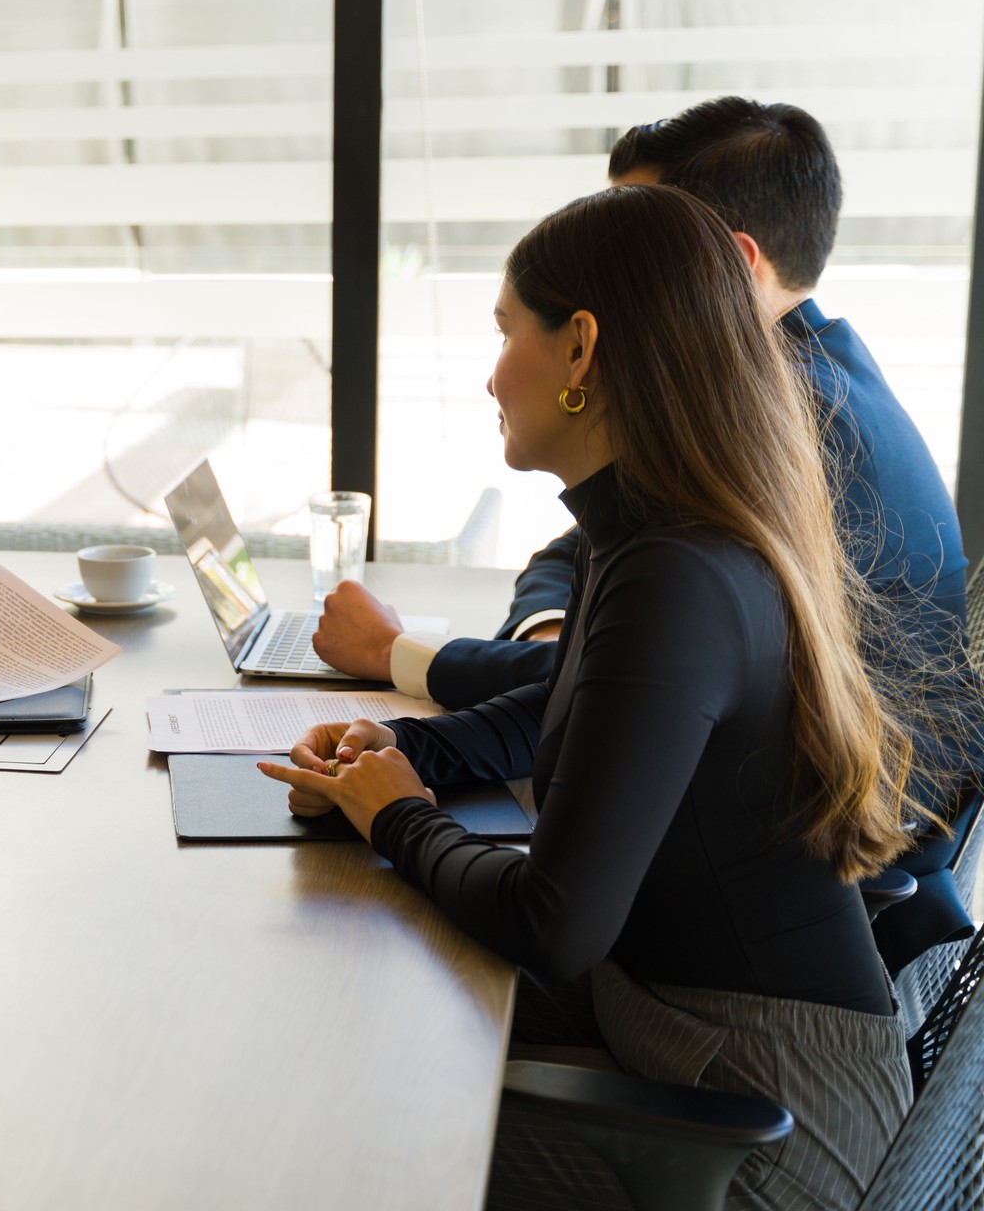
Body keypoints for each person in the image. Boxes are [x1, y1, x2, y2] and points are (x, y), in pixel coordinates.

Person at [263, 184, 934, 1209]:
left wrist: (393, 810)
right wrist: (402, 752)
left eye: (505, 331)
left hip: (762, 1128)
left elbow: (557, 919)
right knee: (358, 998)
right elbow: (566, 698)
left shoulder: (676, 569)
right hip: (676, 1027)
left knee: (339, 1120)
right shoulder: (661, 535)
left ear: (580, 349)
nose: (492, 375)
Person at [313, 97, 966, 714]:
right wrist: (560, 638)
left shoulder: (804, 425)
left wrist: (394, 652)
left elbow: (637, 680)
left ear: (727, 262)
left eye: (635, 237)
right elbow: (580, 550)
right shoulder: (788, 379)